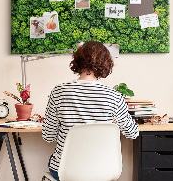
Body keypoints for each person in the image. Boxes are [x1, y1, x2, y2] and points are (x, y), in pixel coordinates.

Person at [42, 40, 139, 180]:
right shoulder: (114, 97)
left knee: (56, 160)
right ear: (105, 64)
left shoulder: (59, 92)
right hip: (103, 172)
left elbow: (48, 136)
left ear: (77, 61)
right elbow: (132, 133)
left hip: (65, 173)